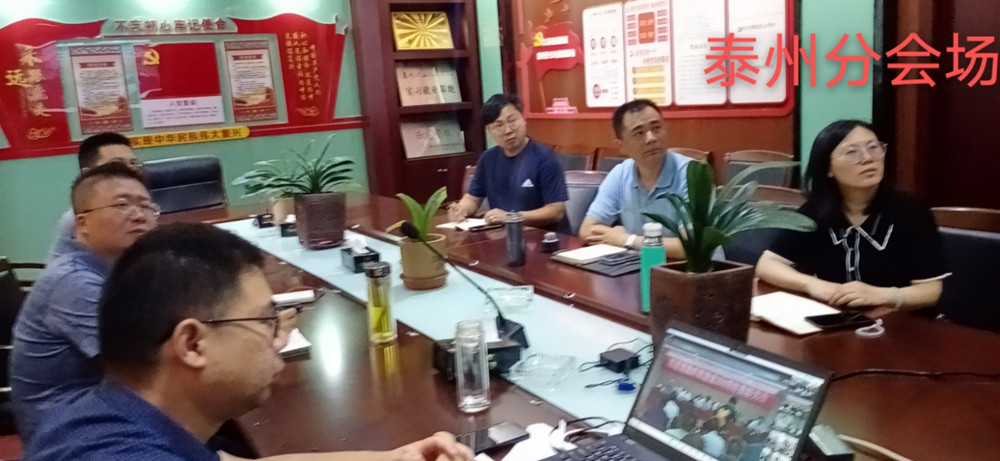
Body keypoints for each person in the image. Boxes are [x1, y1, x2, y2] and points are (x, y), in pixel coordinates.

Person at [25, 223, 475, 461]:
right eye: (265, 321)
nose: (279, 339)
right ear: (192, 344)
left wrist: (395, 457)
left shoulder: (122, 417)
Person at [11, 162, 157, 443]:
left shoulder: (121, 271)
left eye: (146, 206)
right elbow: (148, 366)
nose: (139, 215)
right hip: (69, 432)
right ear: (82, 223)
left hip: (112, 406)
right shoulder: (74, 282)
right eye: (122, 205)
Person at [755, 120, 948, 312]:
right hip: (839, 319)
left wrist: (883, 295)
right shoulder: (816, 211)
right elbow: (767, 264)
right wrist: (812, 285)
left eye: (874, 148)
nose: (868, 158)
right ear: (828, 168)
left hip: (899, 322)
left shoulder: (910, 212)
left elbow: (931, 290)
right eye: (852, 152)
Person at [579, 99, 688, 258]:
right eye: (639, 133)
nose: (651, 138)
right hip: (644, 265)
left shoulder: (691, 174)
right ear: (621, 145)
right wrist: (621, 238)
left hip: (695, 270)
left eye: (656, 128)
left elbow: (690, 247)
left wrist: (627, 240)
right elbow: (587, 230)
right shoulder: (620, 174)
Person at [448, 93, 569, 229]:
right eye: (499, 126)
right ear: (489, 131)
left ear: (523, 119)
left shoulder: (544, 157)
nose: (508, 130)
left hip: (543, 236)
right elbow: (472, 198)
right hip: (503, 234)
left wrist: (512, 217)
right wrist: (462, 209)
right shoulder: (488, 159)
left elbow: (556, 211)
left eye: (512, 121)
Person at [48, 132, 143, 262]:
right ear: (88, 174)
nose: (130, 171)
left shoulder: (140, 207)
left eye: (133, 164)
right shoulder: (85, 216)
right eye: (117, 165)